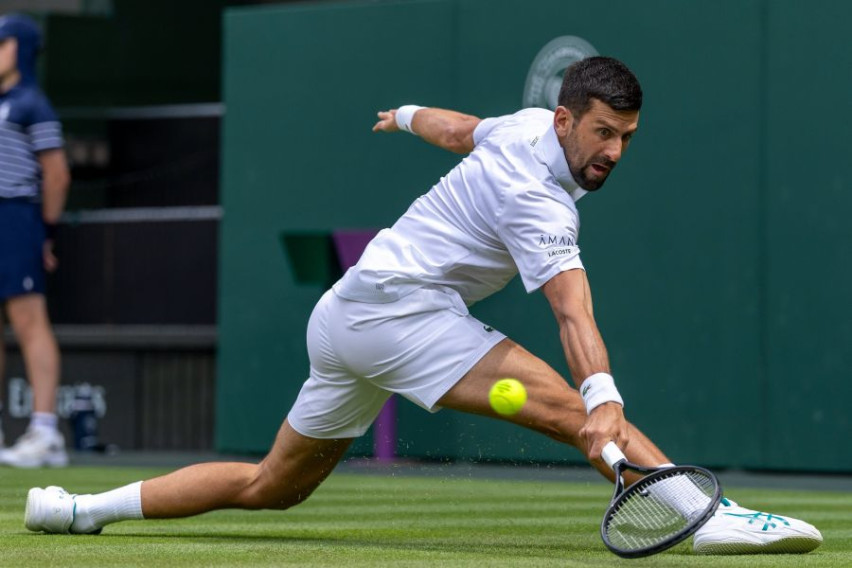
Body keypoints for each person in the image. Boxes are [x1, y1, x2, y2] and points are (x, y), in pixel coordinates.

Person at [24, 56, 821, 554]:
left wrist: (404, 116)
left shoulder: (524, 128)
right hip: (398, 312)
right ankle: (705, 515)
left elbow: (460, 129)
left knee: (273, 484)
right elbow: (572, 311)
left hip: (347, 316)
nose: (613, 151)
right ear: (566, 120)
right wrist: (601, 397)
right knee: (566, 405)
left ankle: (77, 509)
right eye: (604, 133)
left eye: (628, 138)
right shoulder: (537, 199)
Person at [0, 14, 70, 467]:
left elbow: (57, 174)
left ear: (19, 49)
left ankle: (46, 434)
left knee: (28, 320)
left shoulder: (32, 103)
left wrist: (46, 232)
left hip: (17, 216)